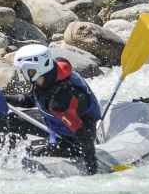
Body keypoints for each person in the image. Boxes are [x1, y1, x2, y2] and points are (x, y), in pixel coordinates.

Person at [7, 44, 102, 174]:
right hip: (56, 124)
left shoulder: (60, 100)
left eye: (23, 71)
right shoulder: (48, 76)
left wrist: (92, 167)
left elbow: (83, 134)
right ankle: (6, 152)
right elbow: (30, 100)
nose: (22, 74)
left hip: (72, 141)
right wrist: (2, 97)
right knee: (11, 120)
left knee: (34, 153)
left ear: (34, 69)